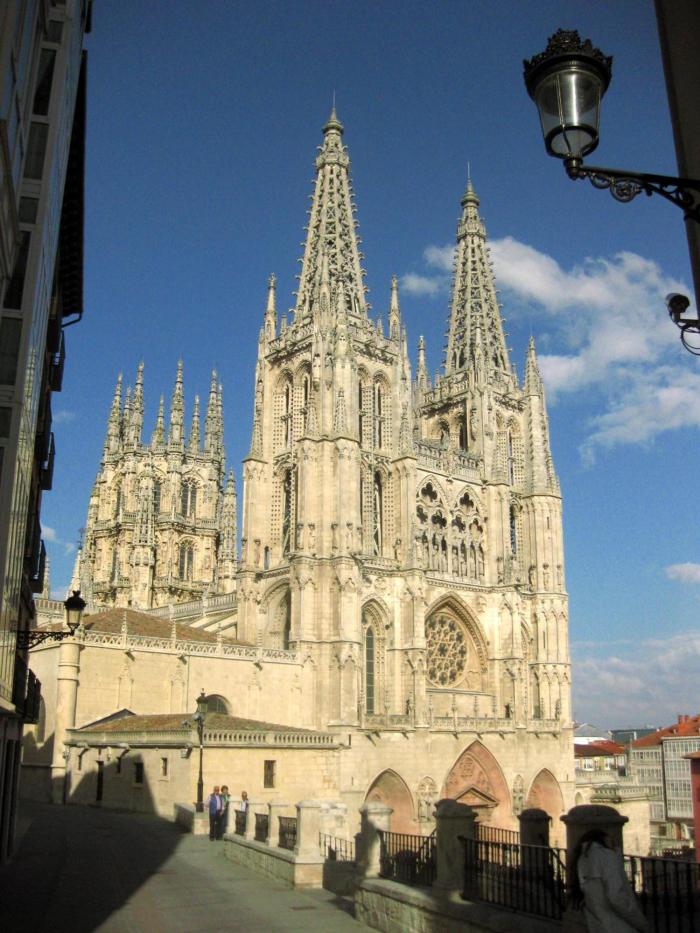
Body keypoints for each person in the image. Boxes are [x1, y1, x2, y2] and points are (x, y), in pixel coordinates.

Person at [570, 830, 647, 933]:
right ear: (603, 839)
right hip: (617, 924)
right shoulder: (606, 857)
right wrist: (640, 923)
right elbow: (616, 896)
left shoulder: (583, 858)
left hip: (597, 923)